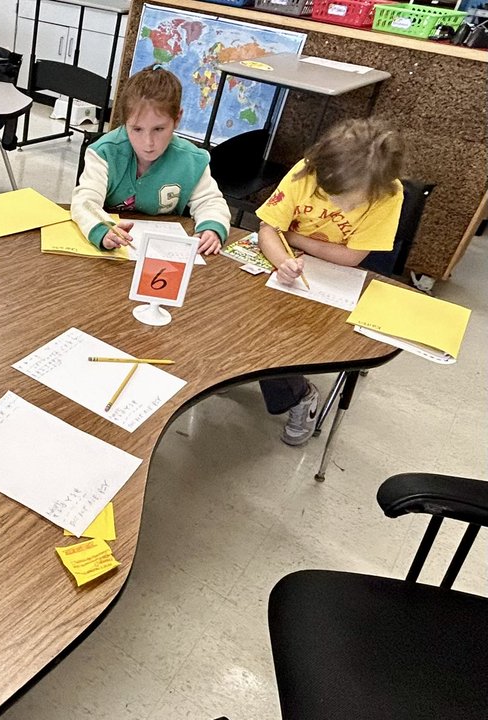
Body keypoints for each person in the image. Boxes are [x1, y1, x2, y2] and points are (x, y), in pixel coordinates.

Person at [256, 118, 405, 446]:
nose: (340, 206)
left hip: (343, 278)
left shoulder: (389, 193)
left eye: (351, 201)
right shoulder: (305, 172)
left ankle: (300, 397)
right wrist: (283, 262)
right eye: (332, 195)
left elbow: (352, 258)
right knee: (250, 317)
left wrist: (294, 238)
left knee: (282, 339)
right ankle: (248, 368)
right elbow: (267, 229)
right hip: (290, 265)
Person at [71, 65, 230, 255]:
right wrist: (102, 229)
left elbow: (210, 201)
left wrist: (211, 228)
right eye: (137, 129)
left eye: (159, 129)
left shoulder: (192, 160)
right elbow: (85, 201)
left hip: (163, 255)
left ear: (177, 119)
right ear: (125, 121)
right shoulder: (104, 152)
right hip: (112, 253)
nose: (148, 143)